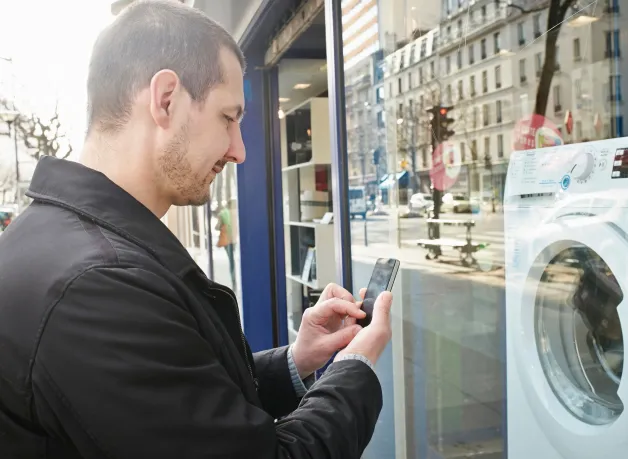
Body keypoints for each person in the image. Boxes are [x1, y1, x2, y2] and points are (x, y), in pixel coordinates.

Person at [0, 2, 393, 458]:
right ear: (166, 99)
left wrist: (297, 359)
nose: (239, 150)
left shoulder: (73, 247)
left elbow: (183, 409)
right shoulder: (97, 285)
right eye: (229, 118)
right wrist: (355, 367)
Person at [215, 202, 236, 286]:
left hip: (226, 239)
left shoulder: (222, 214)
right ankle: (234, 279)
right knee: (232, 259)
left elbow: (217, 226)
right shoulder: (233, 212)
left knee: (231, 260)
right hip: (233, 238)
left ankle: (233, 279)